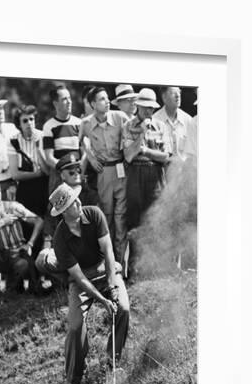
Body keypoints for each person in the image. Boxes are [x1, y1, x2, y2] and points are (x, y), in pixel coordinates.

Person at [38, 183, 130, 384]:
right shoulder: (60, 238)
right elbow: (78, 277)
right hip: (81, 281)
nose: (79, 203)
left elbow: (108, 252)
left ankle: (112, 364)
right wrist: (103, 300)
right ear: (63, 212)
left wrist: (112, 285)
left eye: (76, 199)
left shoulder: (94, 214)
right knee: (75, 326)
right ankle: (72, 383)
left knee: (123, 309)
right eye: (72, 203)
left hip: (106, 269)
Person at [122, 88, 170, 276]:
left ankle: (154, 269)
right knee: (134, 221)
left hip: (155, 175)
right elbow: (128, 156)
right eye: (145, 108)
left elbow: (165, 156)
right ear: (138, 106)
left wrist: (146, 151)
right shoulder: (128, 126)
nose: (149, 112)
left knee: (155, 219)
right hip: (134, 175)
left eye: (151, 108)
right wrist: (141, 134)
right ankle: (133, 269)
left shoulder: (161, 126)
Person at [79, 87, 128, 266]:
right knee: (106, 219)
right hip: (103, 173)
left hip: (121, 170)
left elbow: (132, 138)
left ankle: (122, 266)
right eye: (102, 99)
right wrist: (91, 158)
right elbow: (81, 144)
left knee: (120, 218)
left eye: (107, 98)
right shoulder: (85, 123)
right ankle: (109, 265)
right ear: (92, 104)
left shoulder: (120, 117)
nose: (107, 102)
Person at [42, 84, 82, 245]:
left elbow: (85, 150)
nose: (69, 102)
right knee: (56, 214)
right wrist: (65, 170)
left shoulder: (79, 123)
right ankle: (54, 247)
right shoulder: (49, 126)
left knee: (79, 210)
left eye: (69, 98)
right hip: (59, 176)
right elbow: (48, 157)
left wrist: (77, 170)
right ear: (55, 103)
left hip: (79, 174)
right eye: (64, 99)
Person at [9, 105, 49, 219]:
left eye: (32, 119)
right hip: (25, 190)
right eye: (25, 120)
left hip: (44, 188)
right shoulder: (14, 141)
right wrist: (37, 174)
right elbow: (15, 174)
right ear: (19, 124)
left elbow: (47, 171)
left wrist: (37, 148)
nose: (29, 123)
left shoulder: (43, 136)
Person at [153, 86, 193, 182]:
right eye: (173, 93)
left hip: (184, 173)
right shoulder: (155, 120)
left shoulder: (188, 120)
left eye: (179, 92)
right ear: (164, 97)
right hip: (162, 174)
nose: (178, 96)